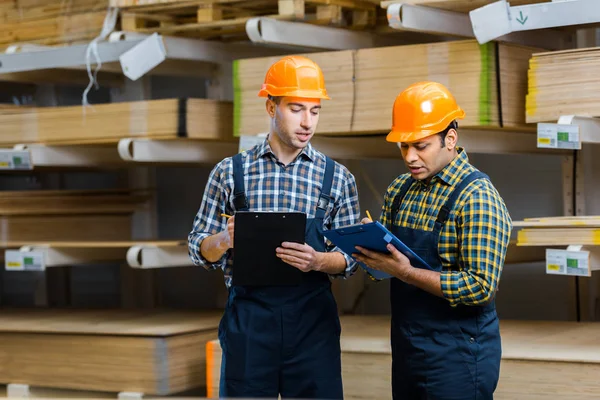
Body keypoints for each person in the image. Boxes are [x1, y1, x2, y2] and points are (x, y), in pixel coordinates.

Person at [188, 55, 360, 399]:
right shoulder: (229, 172)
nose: (307, 122)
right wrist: (223, 239)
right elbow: (197, 248)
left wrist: (318, 261)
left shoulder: (337, 178)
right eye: (296, 109)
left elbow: (352, 258)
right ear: (271, 107)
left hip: (313, 326)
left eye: (314, 111)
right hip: (250, 324)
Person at [353, 81, 512, 400]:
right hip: (408, 349)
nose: (410, 157)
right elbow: (384, 269)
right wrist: (369, 252)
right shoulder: (400, 190)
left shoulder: (477, 198)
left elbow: (480, 287)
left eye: (420, 145)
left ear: (450, 139)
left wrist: (406, 272)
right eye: (403, 146)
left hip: (459, 358)